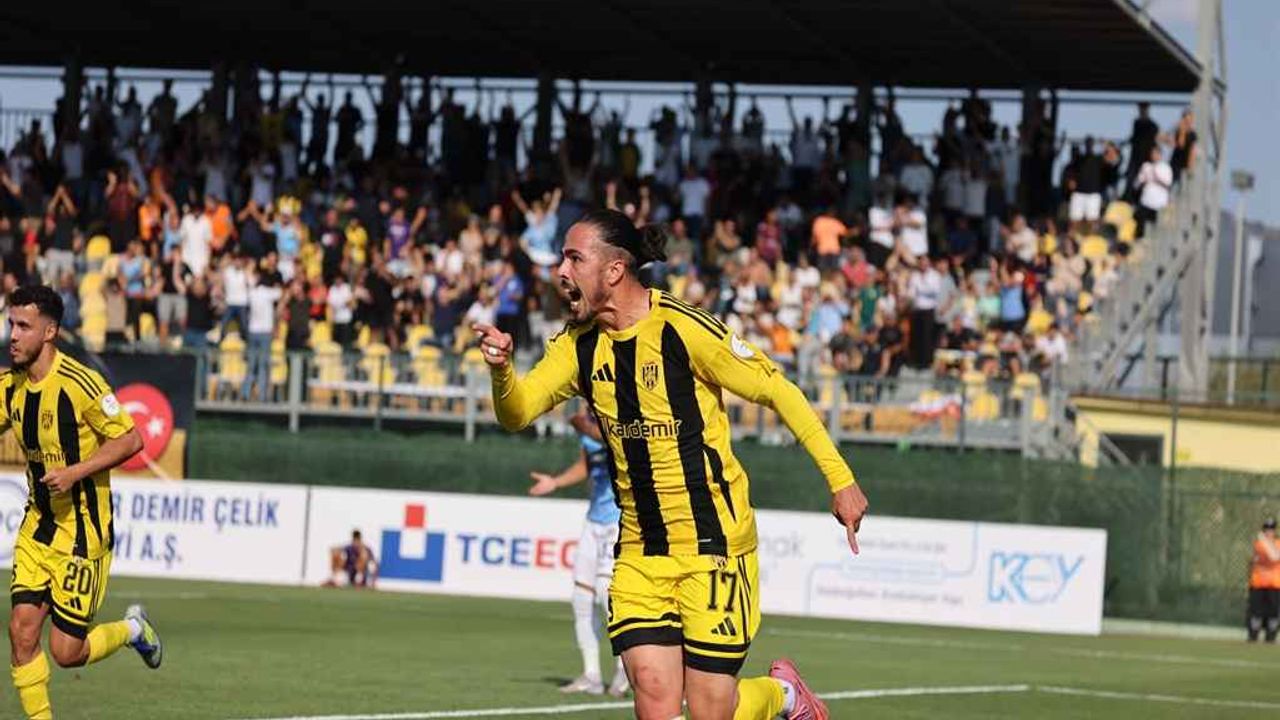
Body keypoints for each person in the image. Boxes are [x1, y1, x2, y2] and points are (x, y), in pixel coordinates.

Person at [475, 210, 868, 720]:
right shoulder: (577, 345)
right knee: (656, 701)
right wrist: (502, 371)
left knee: (710, 712)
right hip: (641, 553)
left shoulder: (683, 329)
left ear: (614, 270)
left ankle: (785, 696)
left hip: (714, 546)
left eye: (574, 259)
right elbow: (518, 412)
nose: (561, 272)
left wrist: (841, 480)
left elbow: (779, 391)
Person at [2, 285, 161, 720]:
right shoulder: (10, 385)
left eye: (23, 326)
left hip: (83, 533)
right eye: (11, 324)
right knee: (21, 633)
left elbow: (131, 439)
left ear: (50, 331)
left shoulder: (81, 383)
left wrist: (75, 472)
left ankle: (133, 630)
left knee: (66, 653)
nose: (12, 335)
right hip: (38, 526)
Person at [529, 409, 630, 698]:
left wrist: (578, 421)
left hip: (618, 521)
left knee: (605, 594)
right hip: (593, 521)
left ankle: (624, 668)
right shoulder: (589, 428)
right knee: (581, 598)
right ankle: (592, 675)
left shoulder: (618, 422)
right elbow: (588, 464)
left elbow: (601, 435)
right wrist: (556, 482)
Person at [1248, 518, 1280, 643]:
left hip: (1274, 584)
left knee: (1273, 612)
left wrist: (1266, 541)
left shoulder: (1277, 543)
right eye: (1267, 529)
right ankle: (1253, 636)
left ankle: (1271, 636)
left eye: (1271, 529)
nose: (1269, 532)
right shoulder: (1259, 544)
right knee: (1256, 611)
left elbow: (1275, 556)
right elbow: (1267, 556)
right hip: (1258, 583)